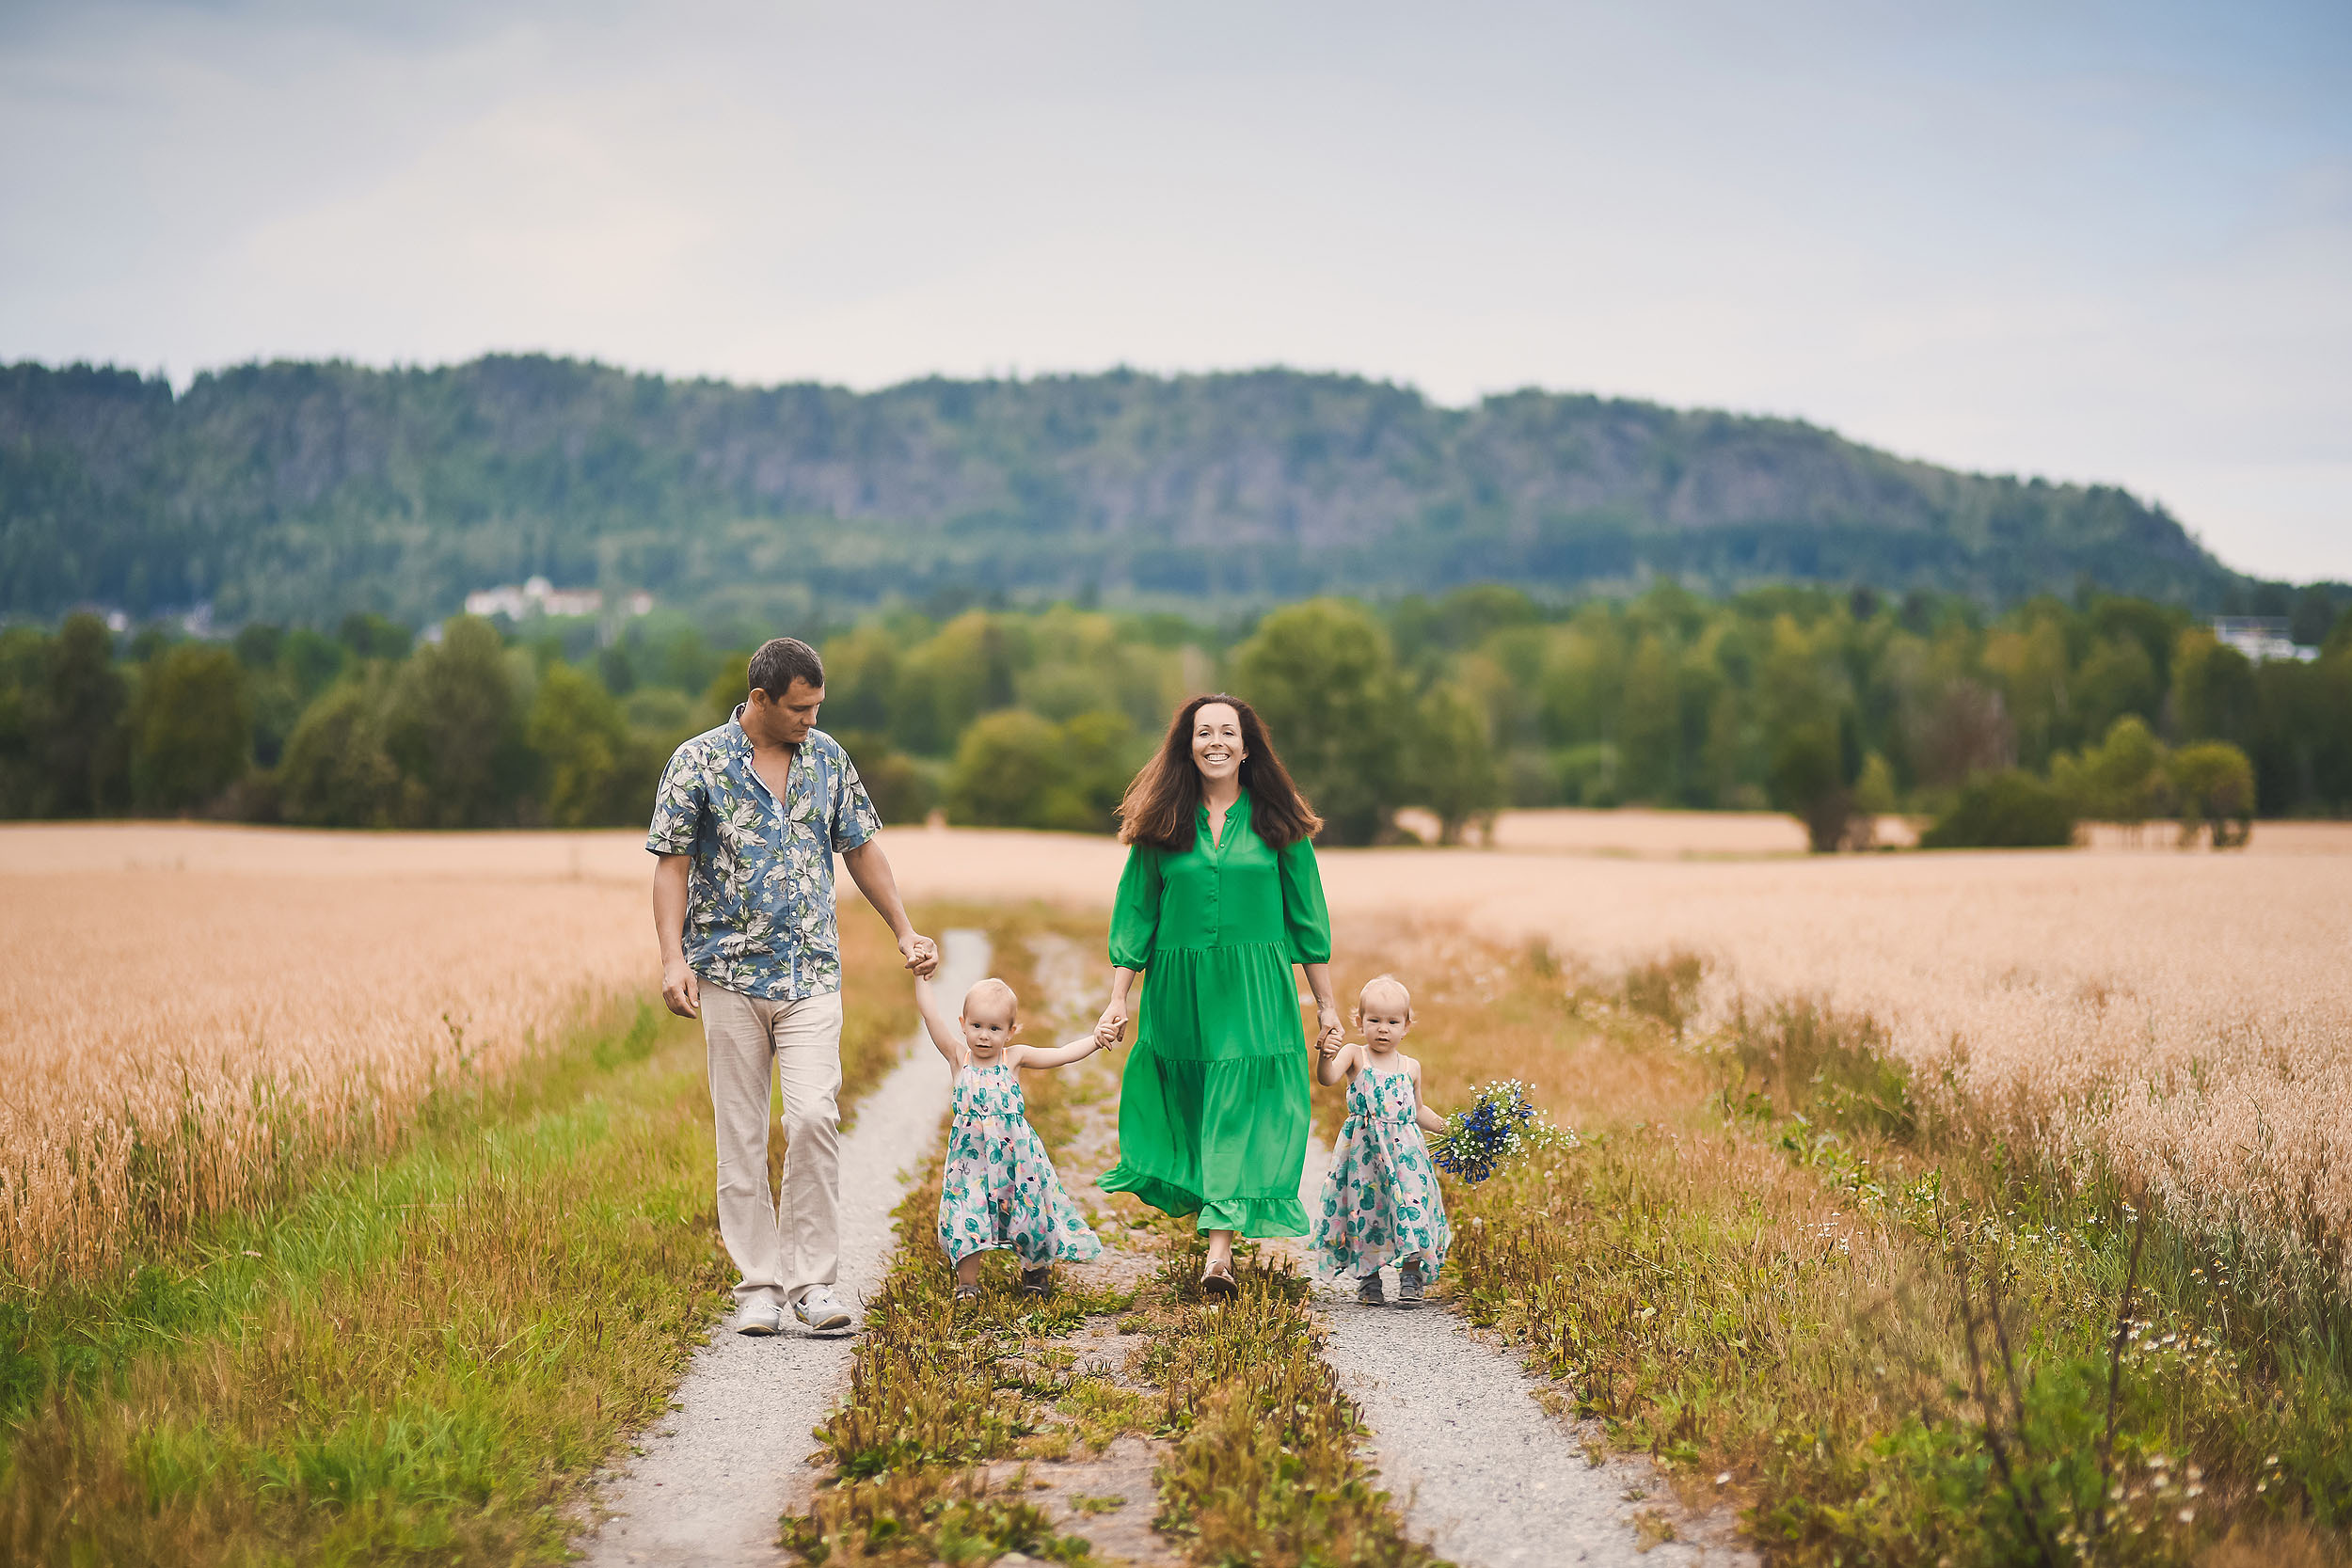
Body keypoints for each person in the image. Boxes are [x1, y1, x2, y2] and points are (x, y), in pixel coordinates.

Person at [647, 636, 939, 1337]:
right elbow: (671, 864)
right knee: (741, 1134)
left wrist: (904, 928)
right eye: (800, 708)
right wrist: (670, 958)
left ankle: (812, 1283)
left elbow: (863, 848)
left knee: (812, 1117)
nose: (811, 719)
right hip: (727, 975)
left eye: (817, 707)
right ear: (760, 700)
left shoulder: (829, 759)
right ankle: (759, 1285)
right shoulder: (698, 762)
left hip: (811, 974)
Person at [1094, 693, 1343, 1297]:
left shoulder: (1279, 824)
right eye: (1203, 732)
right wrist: (1117, 998)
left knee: (1237, 1100)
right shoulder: (1162, 824)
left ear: (1246, 746)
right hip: (1178, 988)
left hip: (1256, 989)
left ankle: (1219, 1252)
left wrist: (1329, 1007)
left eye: (1227, 732)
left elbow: (1308, 922)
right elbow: (1136, 915)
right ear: (1188, 745)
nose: (1215, 742)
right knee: (1195, 1099)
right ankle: (1214, 1217)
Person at [914, 972, 1106, 1301]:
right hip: (970, 1165)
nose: (984, 1036)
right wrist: (922, 978)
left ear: (1010, 1031)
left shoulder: (1013, 1058)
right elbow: (930, 1015)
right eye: (976, 1026)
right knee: (966, 1215)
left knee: (1029, 1215)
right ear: (963, 1023)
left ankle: (1035, 1272)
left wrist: (1096, 1039)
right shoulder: (959, 1058)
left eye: (994, 1028)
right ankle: (967, 1286)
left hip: (1017, 1160)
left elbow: (1061, 1054)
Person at [1310, 974, 1453, 1308]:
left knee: (1413, 1207)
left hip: (1406, 1154)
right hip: (1365, 1154)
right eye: (1374, 1020)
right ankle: (1369, 1279)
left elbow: (1417, 1109)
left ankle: (1411, 1274)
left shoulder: (1411, 1066)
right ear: (1359, 1023)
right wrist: (1324, 1054)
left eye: (1392, 1021)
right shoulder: (1354, 1055)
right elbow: (1327, 1078)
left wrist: (1450, 1128)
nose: (1383, 1029)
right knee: (1367, 1212)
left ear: (1406, 1026)